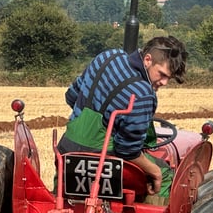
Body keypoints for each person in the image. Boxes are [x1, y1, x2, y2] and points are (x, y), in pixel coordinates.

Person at [57, 35, 187, 197]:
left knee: (62, 196)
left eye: (169, 78)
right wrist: (155, 172)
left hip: (66, 150)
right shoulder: (143, 95)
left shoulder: (106, 57)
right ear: (148, 60)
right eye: (162, 74)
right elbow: (128, 150)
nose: (165, 82)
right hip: (106, 163)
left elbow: (71, 95)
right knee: (166, 175)